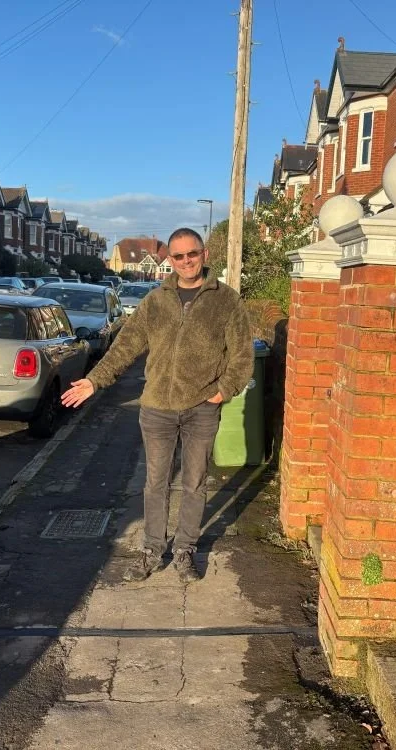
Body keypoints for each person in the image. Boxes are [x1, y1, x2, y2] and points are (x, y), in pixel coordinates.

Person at [61, 228, 254, 583]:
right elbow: (126, 346)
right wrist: (95, 380)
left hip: (202, 408)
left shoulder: (227, 301)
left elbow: (242, 356)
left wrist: (223, 391)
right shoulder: (156, 301)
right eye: (178, 256)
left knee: (194, 483)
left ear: (204, 255)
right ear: (170, 260)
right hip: (157, 409)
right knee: (155, 483)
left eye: (192, 254)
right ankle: (152, 550)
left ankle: (185, 551)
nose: (186, 261)